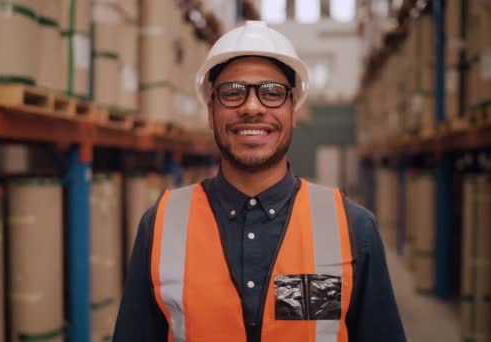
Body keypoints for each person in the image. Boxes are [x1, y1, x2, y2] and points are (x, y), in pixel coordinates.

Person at [113, 21, 406, 342]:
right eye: (233, 93)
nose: (252, 108)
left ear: (293, 111)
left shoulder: (351, 228)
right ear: (210, 113)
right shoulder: (161, 225)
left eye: (271, 93)